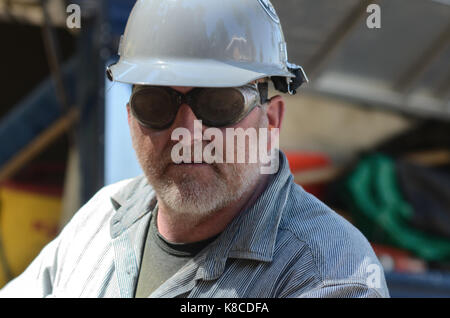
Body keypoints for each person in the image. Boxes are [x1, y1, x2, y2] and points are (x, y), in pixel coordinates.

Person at [0, 0, 389, 298]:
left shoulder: (328, 270)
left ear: (271, 122)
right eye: (156, 104)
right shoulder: (101, 219)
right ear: (130, 117)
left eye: (218, 105)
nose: (186, 131)